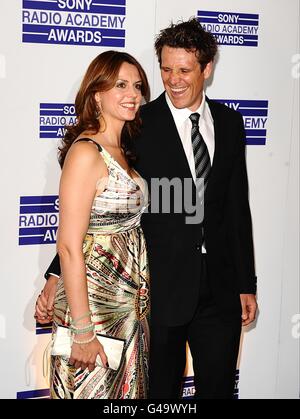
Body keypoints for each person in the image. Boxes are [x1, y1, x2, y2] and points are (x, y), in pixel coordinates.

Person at [35, 18, 257, 399]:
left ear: (206, 69)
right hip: (157, 288)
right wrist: (55, 275)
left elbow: (237, 208)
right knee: (159, 394)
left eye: (185, 70)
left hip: (220, 288)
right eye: (166, 69)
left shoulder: (231, 123)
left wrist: (245, 283)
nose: (173, 79)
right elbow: (99, 213)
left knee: (218, 389)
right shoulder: (137, 123)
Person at [37, 50, 150, 399]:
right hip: (95, 312)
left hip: (129, 307)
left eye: (137, 85)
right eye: (120, 85)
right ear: (96, 93)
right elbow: (70, 245)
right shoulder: (86, 152)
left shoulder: (126, 149)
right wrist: (83, 331)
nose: (133, 94)